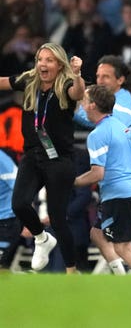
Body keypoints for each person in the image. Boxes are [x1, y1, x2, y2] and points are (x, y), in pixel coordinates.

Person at [0, 43, 85, 273]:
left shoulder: (67, 84)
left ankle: (71, 271)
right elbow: (3, 82)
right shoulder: (29, 81)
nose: (42, 64)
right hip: (32, 156)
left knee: (58, 219)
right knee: (18, 204)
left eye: (48, 60)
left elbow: (78, 93)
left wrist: (77, 75)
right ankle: (42, 239)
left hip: (59, 160)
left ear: (59, 65)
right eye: (40, 59)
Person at [74, 55, 131, 273]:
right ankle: (122, 278)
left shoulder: (111, 122)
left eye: (105, 76)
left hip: (120, 191)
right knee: (98, 234)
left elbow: (97, 173)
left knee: (126, 246)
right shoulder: (121, 127)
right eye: (98, 76)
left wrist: (71, 182)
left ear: (120, 80)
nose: (100, 80)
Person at [0, 149, 19, 270]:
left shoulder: (2, 160)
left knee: (2, 268)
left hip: (6, 222)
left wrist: (28, 219)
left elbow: (19, 188)